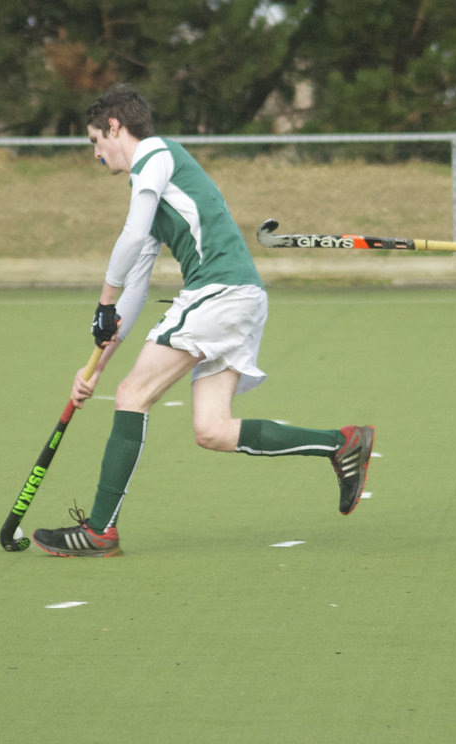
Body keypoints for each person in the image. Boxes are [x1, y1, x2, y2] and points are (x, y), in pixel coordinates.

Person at [30, 83, 374, 557]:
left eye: (95, 141)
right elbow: (138, 285)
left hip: (219, 292)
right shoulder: (150, 188)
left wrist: (102, 302)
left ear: (114, 127)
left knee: (133, 396)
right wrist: (95, 366)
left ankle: (99, 531)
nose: (95, 154)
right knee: (212, 430)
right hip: (240, 299)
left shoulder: (155, 153)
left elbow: (128, 242)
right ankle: (341, 444)